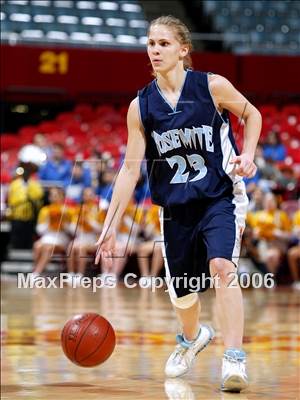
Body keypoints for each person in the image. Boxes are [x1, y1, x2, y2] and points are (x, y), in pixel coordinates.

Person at [95, 15, 262, 392]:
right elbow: (129, 170)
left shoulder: (212, 86)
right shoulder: (141, 106)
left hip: (221, 195)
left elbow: (252, 114)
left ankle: (234, 356)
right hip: (175, 208)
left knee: (223, 266)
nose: (155, 50)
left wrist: (248, 154)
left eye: (164, 43)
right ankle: (192, 338)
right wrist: (110, 225)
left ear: (184, 50)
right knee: (183, 293)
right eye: (151, 43)